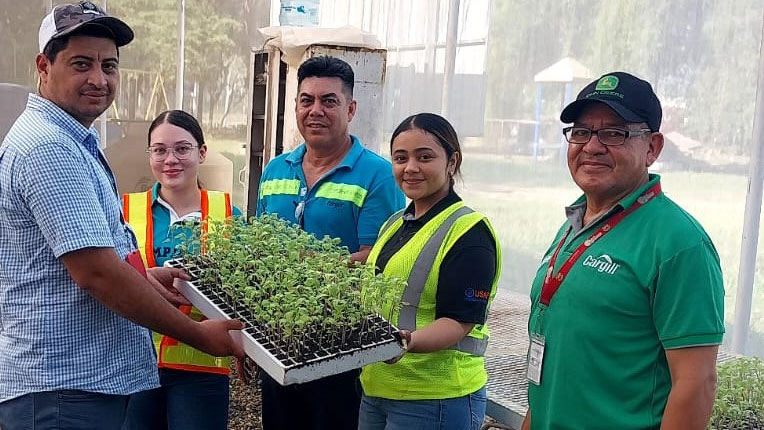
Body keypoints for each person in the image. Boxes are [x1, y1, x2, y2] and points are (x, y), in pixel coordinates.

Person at [0, 3, 242, 429]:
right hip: (62, 389)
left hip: (73, 386)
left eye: (109, 65)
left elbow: (77, 263)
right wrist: (202, 336)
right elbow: (97, 274)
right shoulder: (48, 148)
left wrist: (145, 277)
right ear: (43, 65)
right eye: (81, 64)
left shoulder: (71, 140)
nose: (99, 79)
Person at [521, 72, 724, 430]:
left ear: (652, 147)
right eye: (581, 132)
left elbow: (696, 384)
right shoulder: (574, 224)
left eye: (614, 133)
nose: (592, 146)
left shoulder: (679, 242)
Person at [256, 55, 405, 430]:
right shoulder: (276, 169)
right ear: (296, 107)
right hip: (277, 334)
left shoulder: (377, 175)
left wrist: (307, 264)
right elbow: (257, 251)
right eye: (307, 100)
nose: (316, 111)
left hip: (337, 342)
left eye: (329, 101)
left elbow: (378, 256)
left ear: (350, 108)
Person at [358, 113, 501, 430]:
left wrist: (405, 342)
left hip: (436, 397)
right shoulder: (396, 222)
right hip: (378, 385)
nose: (410, 168)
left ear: (452, 162)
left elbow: (460, 320)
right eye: (400, 158)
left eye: (425, 157)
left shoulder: (469, 234)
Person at [121, 110, 240, 430]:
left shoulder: (228, 213)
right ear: (149, 156)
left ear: (201, 153)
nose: (170, 159)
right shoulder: (124, 211)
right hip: (135, 365)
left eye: (182, 149)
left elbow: (245, 288)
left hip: (200, 363)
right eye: (159, 150)